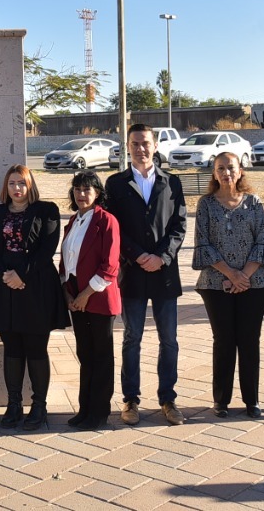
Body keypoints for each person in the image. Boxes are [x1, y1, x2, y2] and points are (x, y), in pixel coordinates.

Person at [104, 123, 187, 426]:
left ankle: (168, 398)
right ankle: (131, 400)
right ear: (127, 147)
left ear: (155, 145)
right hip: (133, 272)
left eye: (145, 143)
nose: (141, 148)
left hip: (164, 273)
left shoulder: (172, 182)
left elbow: (179, 225)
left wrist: (161, 257)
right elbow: (114, 228)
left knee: (169, 340)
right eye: (135, 144)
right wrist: (138, 255)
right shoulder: (115, 183)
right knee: (132, 338)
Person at [191, 152, 264, 419]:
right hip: (215, 283)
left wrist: (243, 277)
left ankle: (252, 400)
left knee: (249, 340)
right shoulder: (206, 204)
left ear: (240, 171)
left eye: (231, 167)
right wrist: (230, 274)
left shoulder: (254, 202)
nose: (226, 172)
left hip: (255, 283)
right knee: (224, 341)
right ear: (214, 173)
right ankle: (221, 401)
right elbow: (203, 243)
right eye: (220, 168)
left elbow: (262, 240)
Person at [0, 165, 67, 431]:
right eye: (12, 183)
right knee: (12, 348)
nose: (17, 188)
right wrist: (6, 275)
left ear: (30, 185)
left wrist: (22, 275)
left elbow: (47, 249)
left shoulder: (47, 210)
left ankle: (39, 406)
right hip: (4, 287)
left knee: (36, 348)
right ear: (5, 187)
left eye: (22, 183)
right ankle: (14, 404)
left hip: (37, 287)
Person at [59, 169, 121, 431]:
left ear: (97, 192)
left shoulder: (107, 221)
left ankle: (99, 412)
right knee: (85, 355)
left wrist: (85, 295)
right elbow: (66, 261)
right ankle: (84, 408)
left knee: (101, 356)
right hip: (76, 299)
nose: (81, 194)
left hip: (99, 298)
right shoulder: (73, 221)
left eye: (87, 189)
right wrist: (68, 293)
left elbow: (110, 265)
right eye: (77, 189)